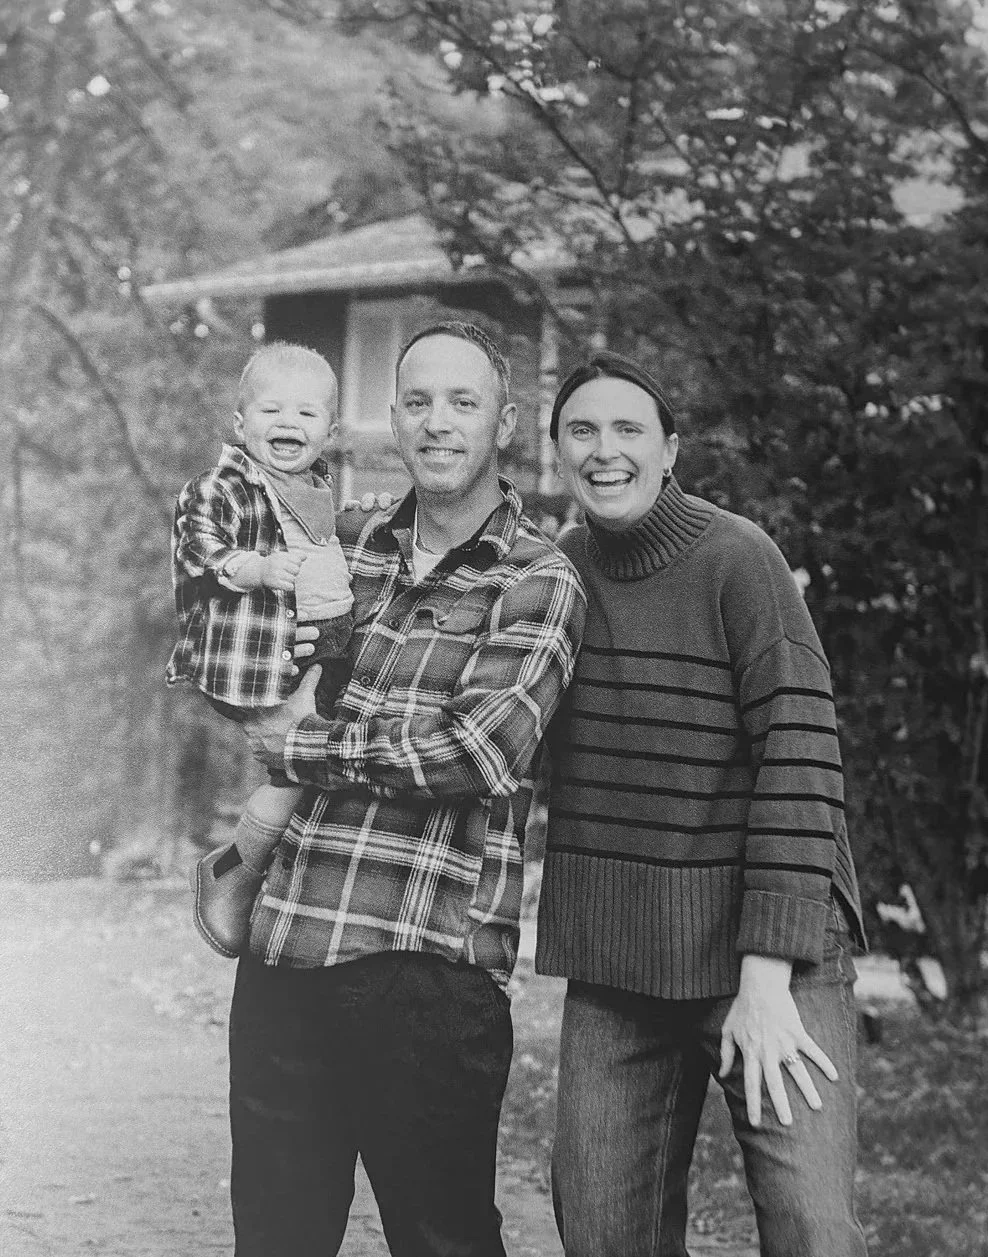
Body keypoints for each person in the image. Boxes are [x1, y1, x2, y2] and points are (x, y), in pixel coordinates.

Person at [235, 321, 586, 1257]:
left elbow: (477, 749)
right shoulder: (342, 548)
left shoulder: (538, 576)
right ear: (391, 418)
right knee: (272, 1242)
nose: (438, 422)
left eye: (463, 402)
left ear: (505, 424)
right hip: (287, 949)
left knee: (443, 1244)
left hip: (426, 968)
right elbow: (243, 654)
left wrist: (306, 749)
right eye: (418, 401)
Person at [535, 350, 869, 1257]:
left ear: (671, 447)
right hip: (621, 950)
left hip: (771, 949)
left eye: (629, 429)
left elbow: (803, 755)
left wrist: (764, 976)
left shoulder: (738, 560)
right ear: (558, 450)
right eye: (583, 430)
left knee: (812, 1230)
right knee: (603, 1233)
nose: (606, 450)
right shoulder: (554, 577)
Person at [166, 342, 355, 958]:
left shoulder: (320, 489)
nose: (287, 425)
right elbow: (196, 543)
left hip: (305, 648)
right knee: (298, 763)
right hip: (247, 658)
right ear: (241, 424)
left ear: (330, 429)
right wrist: (253, 566)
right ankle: (232, 874)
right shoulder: (225, 485)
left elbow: (333, 548)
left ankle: (249, 872)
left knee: (319, 765)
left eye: (306, 414)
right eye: (271, 411)